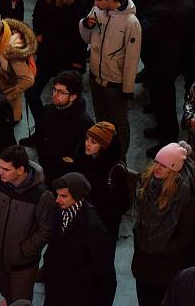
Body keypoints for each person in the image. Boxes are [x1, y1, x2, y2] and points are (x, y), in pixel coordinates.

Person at [79, 0, 142, 159]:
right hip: (95, 77)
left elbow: (132, 58)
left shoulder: (131, 22)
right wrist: (85, 25)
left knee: (119, 123)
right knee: (101, 120)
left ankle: (120, 157)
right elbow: (86, 38)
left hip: (115, 82)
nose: (95, 4)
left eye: (99, 0)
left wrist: (127, 88)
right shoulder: (98, 11)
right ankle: (103, 154)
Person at [0, 145, 54, 304]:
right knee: (6, 294)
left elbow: (46, 230)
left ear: (21, 170)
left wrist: (24, 250)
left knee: (20, 301)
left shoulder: (42, 196)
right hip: (0, 259)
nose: (0, 172)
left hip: (24, 264)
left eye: (6, 169)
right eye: (0, 167)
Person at [25, 0, 88, 127]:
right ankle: (41, 128)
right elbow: (37, 14)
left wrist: (78, 62)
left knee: (65, 101)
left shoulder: (77, 0)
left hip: (67, 56)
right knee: (31, 93)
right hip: (47, 53)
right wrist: (38, 33)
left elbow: (80, 33)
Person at [140, 0, 195, 156]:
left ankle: (166, 139)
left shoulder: (164, 8)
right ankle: (162, 130)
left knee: (165, 103)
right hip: (176, 59)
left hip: (161, 60)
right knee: (163, 99)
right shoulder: (187, 2)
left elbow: (146, 30)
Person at [133, 142, 195, 306]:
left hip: (166, 268)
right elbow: (139, 219)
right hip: (144, 263)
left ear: (174, 170)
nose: (157, 168)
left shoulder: (184, 197)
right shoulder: (147, 185)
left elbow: (186, 236)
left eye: (164, 165)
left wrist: (163, 250)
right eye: (157, 162)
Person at [71, 121, 126, 305]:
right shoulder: (83, 160)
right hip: (81, 224)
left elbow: (120, 205)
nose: (87, 143)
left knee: (102, 271)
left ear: (104, 146)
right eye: (87, 139)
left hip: (103, 229)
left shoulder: (115, 170)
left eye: (94, 142)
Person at [42, 172, 111, 306]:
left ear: (78, 195)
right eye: (57, 195)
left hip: (76, 293)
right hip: (55, 287)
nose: (57, 200)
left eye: (63, 196)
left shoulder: (93, 225)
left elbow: (99, 266)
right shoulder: (59, 211)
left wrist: (74, 277)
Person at [32, 70, 93, 185]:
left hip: (67, 178)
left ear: (73, 96)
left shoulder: (84, 123)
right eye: (54, 89)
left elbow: (85, 156)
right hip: (46, 170)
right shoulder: (46, 111)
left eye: (61, 92)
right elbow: (41, 137)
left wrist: (70, 163)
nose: (54, 95)